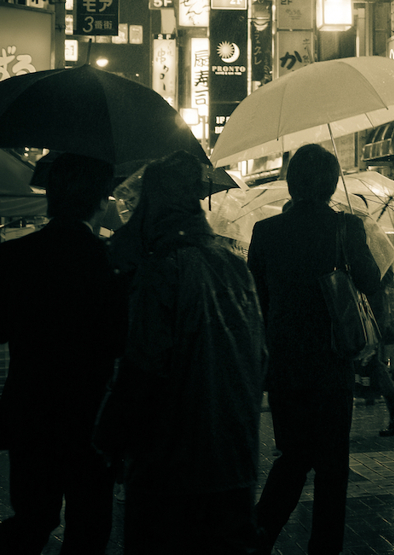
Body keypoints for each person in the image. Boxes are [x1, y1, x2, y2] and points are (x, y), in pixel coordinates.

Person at [93, 150, 265, 555]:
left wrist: (109, 441)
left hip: (171, 472)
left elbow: (143, 371)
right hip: (235, 463)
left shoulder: (163, 271)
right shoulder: (234, 267)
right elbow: (260, 359)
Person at [248, 143, 381, 555]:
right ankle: (323, 548)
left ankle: (258, 534)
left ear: (291, 183)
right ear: (331, 182)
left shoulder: (266, 232)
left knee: (292, 455)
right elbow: (372, 284)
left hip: (284, 364)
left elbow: (256, 300)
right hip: (332, 360)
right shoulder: (346, 228)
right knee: (332, 466)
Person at [0, 152, 128, 555]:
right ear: (100, 201)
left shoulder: (14, 257)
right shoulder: (111, 262)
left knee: (32, 519)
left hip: (30, 410)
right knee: (89, 527)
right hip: (91, 418)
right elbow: (120, 342)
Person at [367, 267, 394, 436]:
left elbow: (371, 284)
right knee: (376, 367)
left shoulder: (378, 264)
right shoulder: (382, 261)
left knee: (376, 367)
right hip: (373, 317)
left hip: (370, 317)